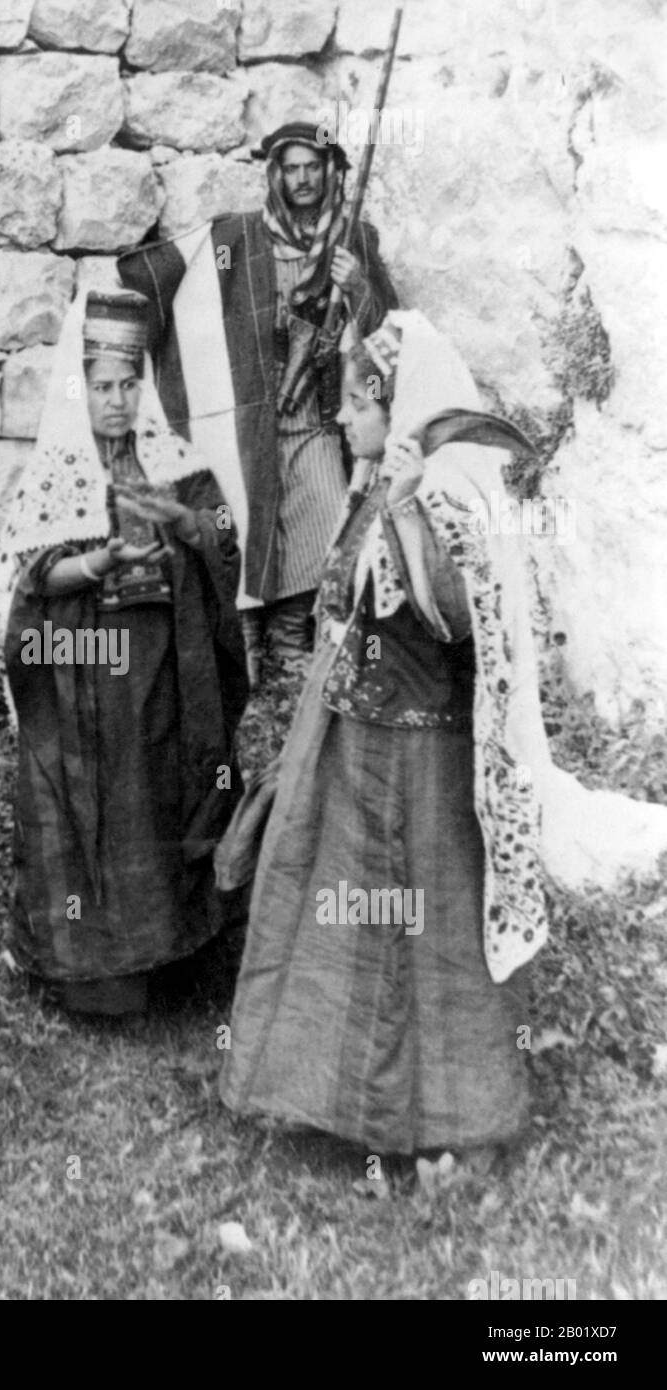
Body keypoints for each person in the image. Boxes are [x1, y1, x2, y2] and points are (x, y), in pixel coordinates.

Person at [218, 310, 589, 1165]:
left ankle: (441, 1120)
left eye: (356, 405)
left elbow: (454, 620)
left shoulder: (449, 500)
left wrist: (412, 510)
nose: (342, 420)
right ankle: (329, 1101)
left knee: (427, 937)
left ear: (400, 409)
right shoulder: (365, 490)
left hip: (424, 760)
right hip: (350, 751)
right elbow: (342, 607)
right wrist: (386, 500)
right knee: (336, 921)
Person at [0, 289, 248, 1016]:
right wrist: (100, 564)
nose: (115, 401)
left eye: (127, 385)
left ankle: (173, 953)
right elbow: (36, 573)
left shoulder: (173, 462)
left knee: (164, 799)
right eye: (102, 387)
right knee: (96, 809)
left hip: (168, 667)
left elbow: (223, 538)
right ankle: (97, 974)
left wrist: (188, 526)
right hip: (88, 670)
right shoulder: (60, 472)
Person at [119, 120, 398, 688]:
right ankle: (243, 641)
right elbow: (192, 289)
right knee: (242, 523)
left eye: (312, 168)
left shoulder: (356, 240)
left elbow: (390, 333)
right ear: (275, 174)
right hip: (250, 415)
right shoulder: (240, 239)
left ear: (330, 172)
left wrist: (358, 288)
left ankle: (293, 639)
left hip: (319, 414)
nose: (301, 180)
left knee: (325, 520)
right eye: (290, 169)